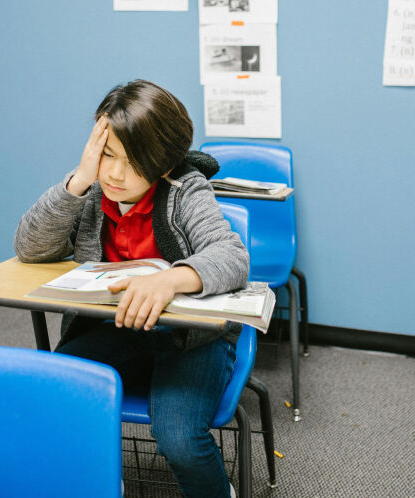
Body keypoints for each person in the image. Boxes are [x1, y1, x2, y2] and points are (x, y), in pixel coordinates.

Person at [14, 80, 248, 498]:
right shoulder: (91, 190)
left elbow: (232, 256)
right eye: (106, 155)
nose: (116, 174)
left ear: (163, 163)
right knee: (54, 394)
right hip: (115, 329)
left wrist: (171, 279)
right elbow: (30, 248)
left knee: (179, 438)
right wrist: (80, 179)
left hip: (190, 339)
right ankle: (102, 483)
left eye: (133, 162)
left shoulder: (185, 189)